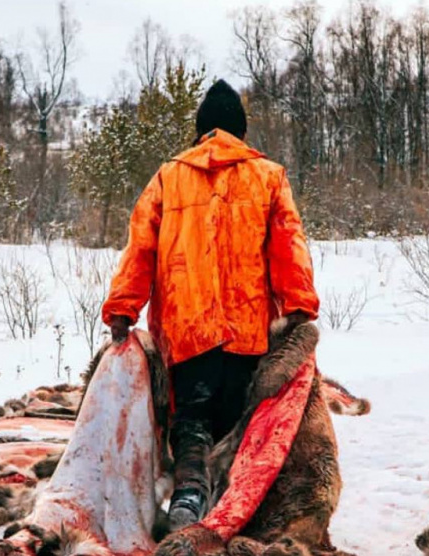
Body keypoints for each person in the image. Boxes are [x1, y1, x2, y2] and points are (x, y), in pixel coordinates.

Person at [101, 79, 319, 531]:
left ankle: (189, 493)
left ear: (200, 131)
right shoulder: (268, 176)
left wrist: (124, 307)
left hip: (188, 328)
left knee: (192, 416)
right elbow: (288, 246)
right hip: (249, 328)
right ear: (240, 130)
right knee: (241, 420)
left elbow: (140, 248)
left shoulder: (168, 176)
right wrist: (298, 305)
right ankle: (235, 505)